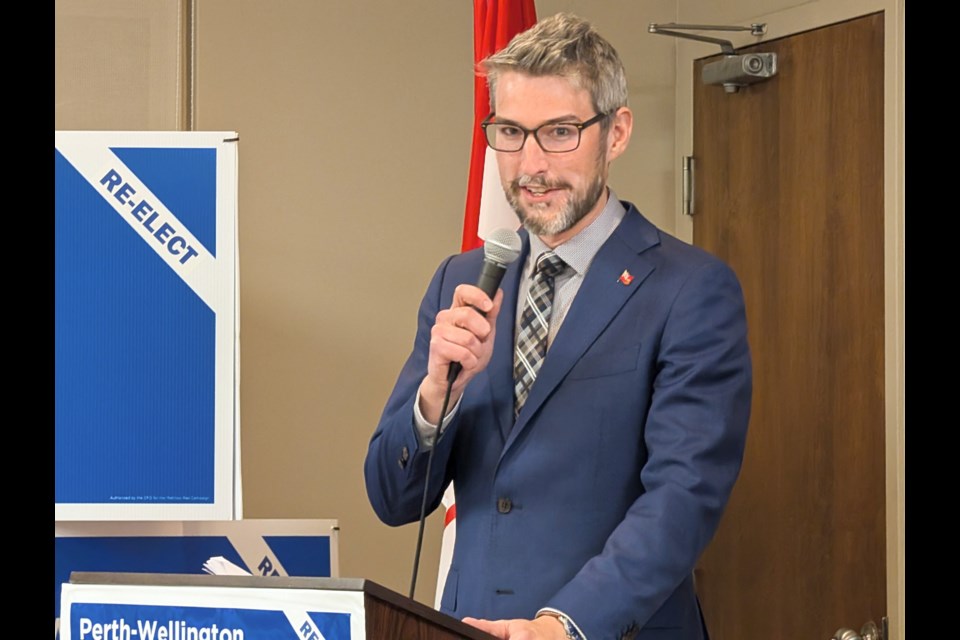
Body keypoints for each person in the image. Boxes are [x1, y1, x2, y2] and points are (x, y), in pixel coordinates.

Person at [364, 12, 751, 640]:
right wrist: (437, 394)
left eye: (560, 133)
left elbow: (682, 498)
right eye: (510, 132)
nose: (531, 164)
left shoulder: (691, 290)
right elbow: (391, 497)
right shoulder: (461, 278)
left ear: (616, 132)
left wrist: (563, 625)